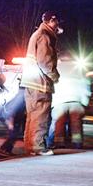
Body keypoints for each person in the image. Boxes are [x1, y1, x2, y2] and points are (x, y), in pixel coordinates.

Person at [20, 11, 62, 156]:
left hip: (31, 83)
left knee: (32, 116)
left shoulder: (37, 35)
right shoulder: (44, 36)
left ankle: (30, 146)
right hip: (40, 84)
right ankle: (38, 147)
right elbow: (45, 61)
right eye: (56, 22)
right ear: (51, 20)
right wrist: (55, 76)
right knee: (41, 116)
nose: (58, 25)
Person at [47, 58, 91, 149]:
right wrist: (85, 102)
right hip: (76, 100)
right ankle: (77, 144)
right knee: (76, 124)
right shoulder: (79, 68)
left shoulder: (55, 67)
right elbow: (86, 84)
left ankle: (58, 144)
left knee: (58, 123)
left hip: (59, 101)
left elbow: (51, 84)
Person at [0, 87, 26, 156]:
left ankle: (6, 149)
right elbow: (13, 108)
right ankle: (4, 149)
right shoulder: (22, 95)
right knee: (13, 134)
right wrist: (10, 122)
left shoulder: (22, 94)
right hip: (11, 117)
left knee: (14, 134)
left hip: (15, 117)